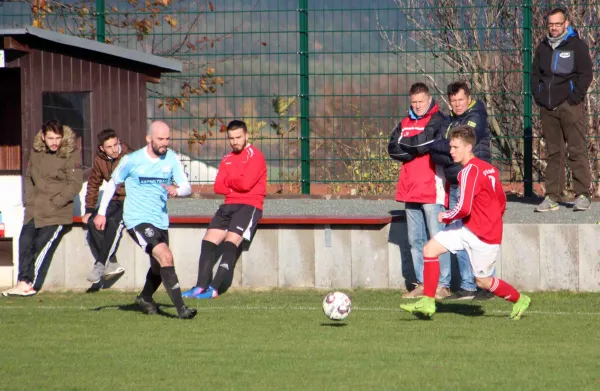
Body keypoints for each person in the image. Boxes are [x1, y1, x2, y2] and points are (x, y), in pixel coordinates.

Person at [400, 126, 531, 320]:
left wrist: (446, 216)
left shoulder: (469, 172)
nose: (451, 151)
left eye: (455, 147)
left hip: (483, 235)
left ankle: (521, 299)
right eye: (450, 146)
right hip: (468, 227)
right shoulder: (489, 169)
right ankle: (428, 302)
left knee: (483, 281)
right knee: (430, 250)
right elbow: (501, 201)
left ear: (468, 147)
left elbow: (463, 208)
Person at [94, 120, 196, 319]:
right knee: (166, 256)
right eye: (160, 139)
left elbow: (187, 186)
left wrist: (178, 190)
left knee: (159, 266)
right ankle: (182, 310)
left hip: (160, 220)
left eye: (167, 139)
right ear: (148, 138)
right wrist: (101, 212)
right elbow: (112, 184)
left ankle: (145, 297)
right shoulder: (132, 160)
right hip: (137, 219)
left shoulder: (171, 159)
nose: (164, 143)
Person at [183, 120, 267, 299]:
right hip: (228, 205)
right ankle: (200, 286)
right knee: (207, 242)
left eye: (238, 137)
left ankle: (213, 289)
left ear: (246, 136)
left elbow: (245, 185)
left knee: (230, 243)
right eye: (231, 138)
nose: (235, 141)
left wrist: (230, 181)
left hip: (248, 205)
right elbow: (218, 187)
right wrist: (235, 182)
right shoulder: (227, 158)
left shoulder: (256, 156)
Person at [2, 120, 83, 297]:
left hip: (56, 213)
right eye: (51, 138)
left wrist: (57, 202)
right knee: (24, 243)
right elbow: (29, 177)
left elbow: (75, 184)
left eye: (58, 138)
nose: (54, 142)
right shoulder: (36, 152)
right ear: (43, 137)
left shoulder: (71, 153)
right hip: (34, 209)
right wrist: (29, 199)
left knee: (39, 247)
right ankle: (22, 282)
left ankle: (28, 284)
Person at [429, 81, 492, 301]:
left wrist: (449, 150)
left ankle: (485, 284)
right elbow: (434, 150)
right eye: (453, 100)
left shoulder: (477, 116)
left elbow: (467, 144)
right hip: (456, 183)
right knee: (460, 236)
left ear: (469, 98)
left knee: (478, 235)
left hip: (475, 185)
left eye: (460, 100)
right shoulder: (448, 122)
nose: (457, 104)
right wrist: (452, 152)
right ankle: (467, 285)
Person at [387, 82, 451, 300]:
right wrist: (411, 148)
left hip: (432, 190)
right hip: (409, 189)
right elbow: (392, 147)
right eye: (413, 102)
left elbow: (425, 143)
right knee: (415, 241)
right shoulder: (405, 121)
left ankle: (443, 284)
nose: (417, 106)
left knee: (438, 239)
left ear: (429, 99)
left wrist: (409, 146)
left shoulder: (438, 120)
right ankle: (423, 283)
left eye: (420, 102)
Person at [531, 7, 593, 212]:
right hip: (548, 108)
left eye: (558, 24)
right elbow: (535, 75)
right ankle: (552, 197)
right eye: (551, 24)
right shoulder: (542, 47)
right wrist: (539, 95)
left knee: (576, 149)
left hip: (570, 106)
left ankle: (583, 194)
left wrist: (574, 98)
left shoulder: (577, 46)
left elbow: (586, 74)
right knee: (553, 153)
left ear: (566, 23)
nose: (554, 28)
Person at [83, 129, 132, 283]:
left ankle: (100, 264)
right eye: (109, 147)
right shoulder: (99, 160)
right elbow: (93, 184)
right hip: (113, 200)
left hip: (130, 199)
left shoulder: (130, 156)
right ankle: (111, 262)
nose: (114, 149)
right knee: (93, 222)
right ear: (102, 148)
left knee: (112, 222)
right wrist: (89, 210)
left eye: (116, 144)